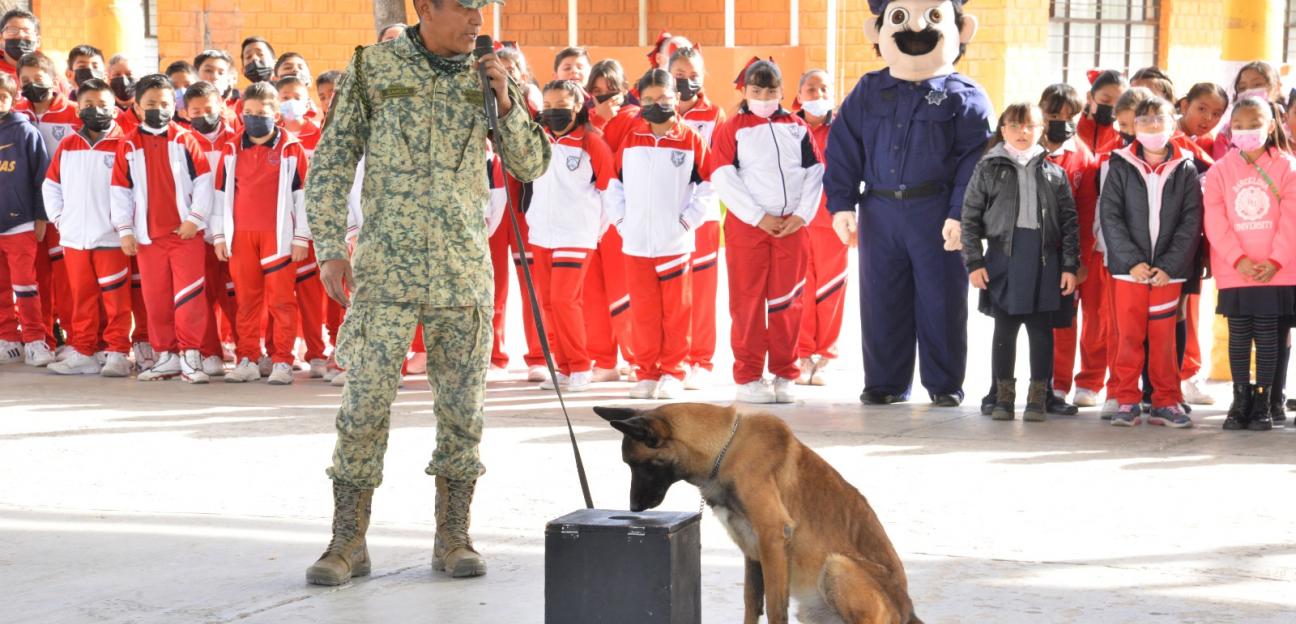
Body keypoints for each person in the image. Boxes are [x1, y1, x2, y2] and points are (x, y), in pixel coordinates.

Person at [303, 1, 550, 586]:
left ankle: (453, 536)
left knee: (463, 413)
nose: (475, 22)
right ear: (425, 7)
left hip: (462, 273)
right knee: (362, 407)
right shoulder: (374, 68)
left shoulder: (492, 71)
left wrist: (508, 104)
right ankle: (347, 542)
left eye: (480, 10)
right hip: (385, 272)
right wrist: (330, 246)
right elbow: (332, 161)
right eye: (464, 9)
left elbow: (532, 163)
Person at [824, 0, 993, 407]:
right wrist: (842, 203)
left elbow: (976, 161)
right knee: (882, 299)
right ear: (878, 30)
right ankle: (884, 382)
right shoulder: (869, 89)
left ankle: (944, 383)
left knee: (941, 300)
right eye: (899, 17)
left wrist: (960, 214)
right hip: (880, 211)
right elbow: (844, 146)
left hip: (934, 211)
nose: (915, 27)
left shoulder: (965, 96)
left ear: (960, 29)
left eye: (934, 17)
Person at [710, 59, 822, 404]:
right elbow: (722, 175)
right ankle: (748, 375)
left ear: (782, 92)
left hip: (792, 228)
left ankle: (786, 373)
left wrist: (801, 216)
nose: (763, 96)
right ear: (744, 91)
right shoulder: (733, 128)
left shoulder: (797, 127)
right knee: (747, 303)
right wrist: (758, 216)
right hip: (749, 229)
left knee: (788, 302)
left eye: (771, 91)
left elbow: (815, 171)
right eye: (756, 91)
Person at [962, 102, 1080, 421]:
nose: (1022, 132)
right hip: (1004, 259)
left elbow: (1069, 222)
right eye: (1014, 126)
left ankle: (1037, 398)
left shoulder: (1054, 173)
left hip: (1045, 261)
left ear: (1042, 130)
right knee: (1005, 329)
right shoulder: (988, 168)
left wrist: (1069, 266)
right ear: (1003, 131)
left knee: (1041, 331)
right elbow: (970, 217)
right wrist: (974, 262)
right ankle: (1003, 397)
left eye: (1029, 126)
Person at [605, 68, 708, 400]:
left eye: (662, 98)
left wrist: (686, 222)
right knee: (644, 312)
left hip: (674, 244)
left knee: (676, 313)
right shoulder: (631, 139)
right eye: (647, 99)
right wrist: (621, 222)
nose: (655, 105)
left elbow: (708, 187)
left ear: (676, 98)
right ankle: (647, 372)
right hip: (636, 243)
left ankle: (673, 372)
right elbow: (613, 186)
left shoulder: (691, 139)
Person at [1100, 96, 1202, 428]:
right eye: (1144, 121)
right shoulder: (1119, 164)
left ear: (1173, 123)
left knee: (1163, 341)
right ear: (1133, 127)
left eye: (1159, 120)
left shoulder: (1186, 167)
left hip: (1166, 276)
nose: (1153, 127)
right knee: (1127, 337)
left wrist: (1170, 266)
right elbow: (1110, 216)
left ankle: (1165, 400)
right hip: (1128, 273)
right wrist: (1131, 261)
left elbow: (1191, 221)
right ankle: (1127, 399)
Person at [109, 73, 215, 383]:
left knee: (190, 296)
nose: (159, 108)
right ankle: (165, 355)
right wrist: (125, 230)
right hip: (147, 238)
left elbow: (204, 182)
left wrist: (195, 219)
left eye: (165, 103)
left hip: (185, 235)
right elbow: (120, 190)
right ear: (138, 109)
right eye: (151, 103)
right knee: (155, 298)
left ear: (174, 106)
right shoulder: (128, 144)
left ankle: (191, 356)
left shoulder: (185, 139)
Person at [1203, 97, 1296, 431]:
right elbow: (1214, 220)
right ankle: (1239, 400)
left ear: (1271, 125)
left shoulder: (1287, 167)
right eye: (1238, 125)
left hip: (1278, 270)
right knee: (1239, 335)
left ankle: (1263, 402)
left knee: (1269, 335)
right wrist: (1237, 259)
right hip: (1235, 271)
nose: (1245, 131)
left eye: (1254, 123)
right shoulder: (1219, 171)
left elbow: (1292, 219)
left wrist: (1276, 260)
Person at [211, 81, 310, 385]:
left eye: (262, 111)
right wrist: (219, 236)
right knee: (247, 300)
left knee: (281, 300)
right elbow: (219, 194)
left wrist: (301, 237)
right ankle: (248, 357)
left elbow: (303, 195)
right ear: (242, 113)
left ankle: (282, 359)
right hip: (241, 237)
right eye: (249, 112)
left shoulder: (291, 148)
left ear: (276, 113)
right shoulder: (230, 148)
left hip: (278, 237)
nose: (255, 117)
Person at [526, 80, 616, 392]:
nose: (553, 112)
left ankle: (581, 365)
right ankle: (563, 367)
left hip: (576, 235)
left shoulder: (592, 142)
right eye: (547, 106)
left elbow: (609, 190)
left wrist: (594, 229)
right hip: (542, 233)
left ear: (578, 106)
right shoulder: (539, 139)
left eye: (561, 105)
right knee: (548, 303)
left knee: (566, 300)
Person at [41, 78, 133, 377]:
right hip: (74, 238)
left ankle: (117, 351)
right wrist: (60, 218)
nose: (96, 111)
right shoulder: (68, 144)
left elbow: (134, 191)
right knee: (82, 298)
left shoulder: (125, 144)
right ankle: (84, 351)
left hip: (111, 239)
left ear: (115, 109)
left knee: (116, 299)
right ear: (78, 108)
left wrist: (124, 227)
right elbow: (51, 185)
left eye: (103, 105)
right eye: (89, 105)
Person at [1038, 84, 1103, 411]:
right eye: (1053, 115)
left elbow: (1087, 211)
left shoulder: (1083, 156)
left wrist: (1078, 259)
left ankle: (1078, 383)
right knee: (1047, 324)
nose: (1061, 122)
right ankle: (1049, 383)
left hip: (1071, 256)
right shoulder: (1026, 148)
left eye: (1070, 116)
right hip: (1033, 255)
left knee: (1080, 320)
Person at [668, 46, 725, 390]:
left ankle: (701, 360)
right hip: (664, 216)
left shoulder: (715, 115)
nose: (686, 82)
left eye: (693, 76)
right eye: (679, 75)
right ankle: (673, 357)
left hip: (702, 218)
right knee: (673, 292)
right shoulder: (655, 110)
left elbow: (717, 167)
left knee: (702, 292)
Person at [15, 51, 79, 355]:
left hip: (68, 212)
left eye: (37, 79)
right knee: (36, 277)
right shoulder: (14, 115)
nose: (30, 85)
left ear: (54, 81)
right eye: (24, 80)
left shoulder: (76, 114)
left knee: (67, 279)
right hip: (28, 213)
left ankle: (76, 339)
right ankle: (42, 339)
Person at [582, 59, 639, 381]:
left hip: (619, 217)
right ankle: (603, 360)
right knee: (592, 292)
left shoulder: (634, 120)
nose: (604, 97)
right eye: (598, 91)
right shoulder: (583, 121)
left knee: (622, 289)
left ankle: (634, 357)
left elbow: (622, 165)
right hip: (588, 217)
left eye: (611, 90)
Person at [794, 68, 847, 387]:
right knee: (800, 290)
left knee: (830, 291)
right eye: (811, 90)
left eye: (824, 89)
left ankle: (825, 355)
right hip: (796, 222)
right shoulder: (788, 127)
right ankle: (801, 354)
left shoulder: (843, 129)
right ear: (799, 95)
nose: (817, 95)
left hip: (831, 222)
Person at [185, 80, 239, 376]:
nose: (203, 114)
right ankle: (210, 352)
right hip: (196, 233)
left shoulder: (238, 139)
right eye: (196, 110)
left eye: (209, 108)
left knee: (237, 295)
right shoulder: (182, 141)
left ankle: (247, 350)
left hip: (232, 231)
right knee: (201, 295)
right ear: (185, 111)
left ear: (221, 104)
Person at [0, 71, 52, 366]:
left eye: (2, 97)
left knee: (26, 285)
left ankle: (35, 339)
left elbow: (41, 176)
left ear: (14, 99)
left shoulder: (25, 132)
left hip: (20, 223)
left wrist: (41, 215)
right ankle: (8, 339)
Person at [1077, 69, 1126, 153]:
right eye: (1105, 100)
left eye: (1119, 103)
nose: (1112, 107)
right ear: (1089, 97)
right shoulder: (1072, 134)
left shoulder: (1123, 140)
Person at [1178, 82, 1228, 156]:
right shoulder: (1165, 132)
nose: (1208, 118)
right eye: (1202, 109)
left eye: (1216, 114)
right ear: (1185, 106)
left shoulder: (1207, 143)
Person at [0, 9, 39, 82]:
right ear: (1, 38)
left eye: (27, 31)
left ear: (38, 41)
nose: (20, 35)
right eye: (12, 30)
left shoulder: (49, 74)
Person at [107, 54, 141, 134]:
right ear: (108, 79)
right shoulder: (102, 112)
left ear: (139, 78)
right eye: (117, 75)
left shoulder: (145, 111)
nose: (124, 80)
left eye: (129, 74)